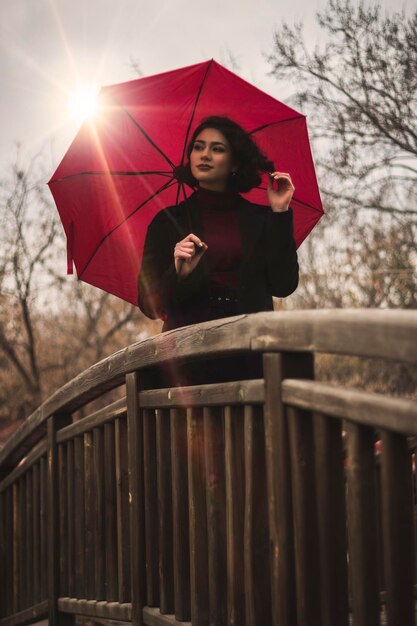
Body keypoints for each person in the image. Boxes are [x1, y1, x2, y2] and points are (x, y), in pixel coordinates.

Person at [137, 115, 299, 333]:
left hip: (248, 347)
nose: (205, 154)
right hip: (188, 352)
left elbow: (284, 285)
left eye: (217, 149)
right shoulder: (167, 221)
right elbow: (150, 306)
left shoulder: (262, 219)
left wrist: (280, 213)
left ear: (235, 162)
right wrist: (177, 273)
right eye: (198, 147)